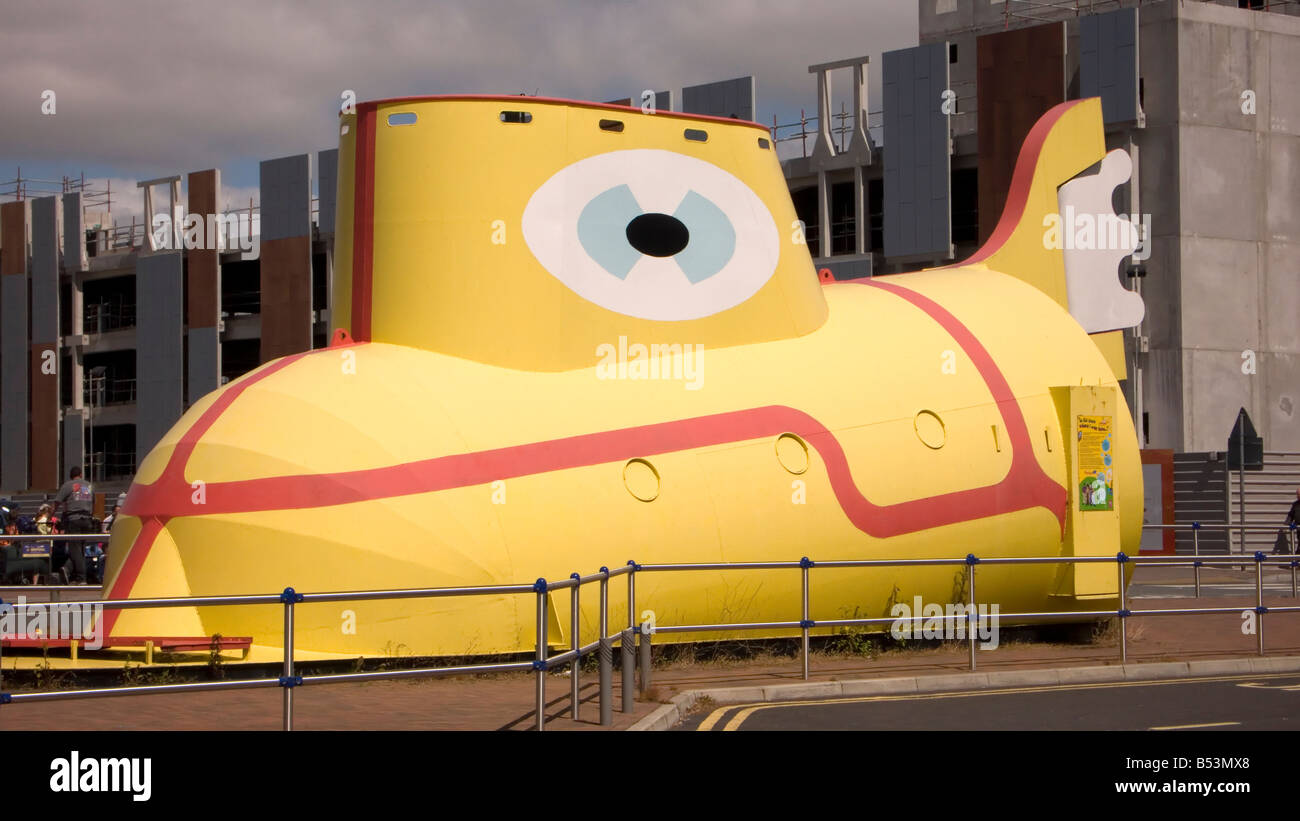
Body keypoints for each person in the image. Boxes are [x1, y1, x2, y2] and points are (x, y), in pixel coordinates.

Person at [52, 467, 95, 583]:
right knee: (79, 549)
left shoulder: (68, 485)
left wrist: (51, 515)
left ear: (70, 476)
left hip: (73, 519)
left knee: (75, 549)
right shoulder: (89, 486)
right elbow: (93, 502)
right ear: (81, 474)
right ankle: (67, 569)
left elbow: (57, 502)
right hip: (87, 519)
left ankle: (81, 578)